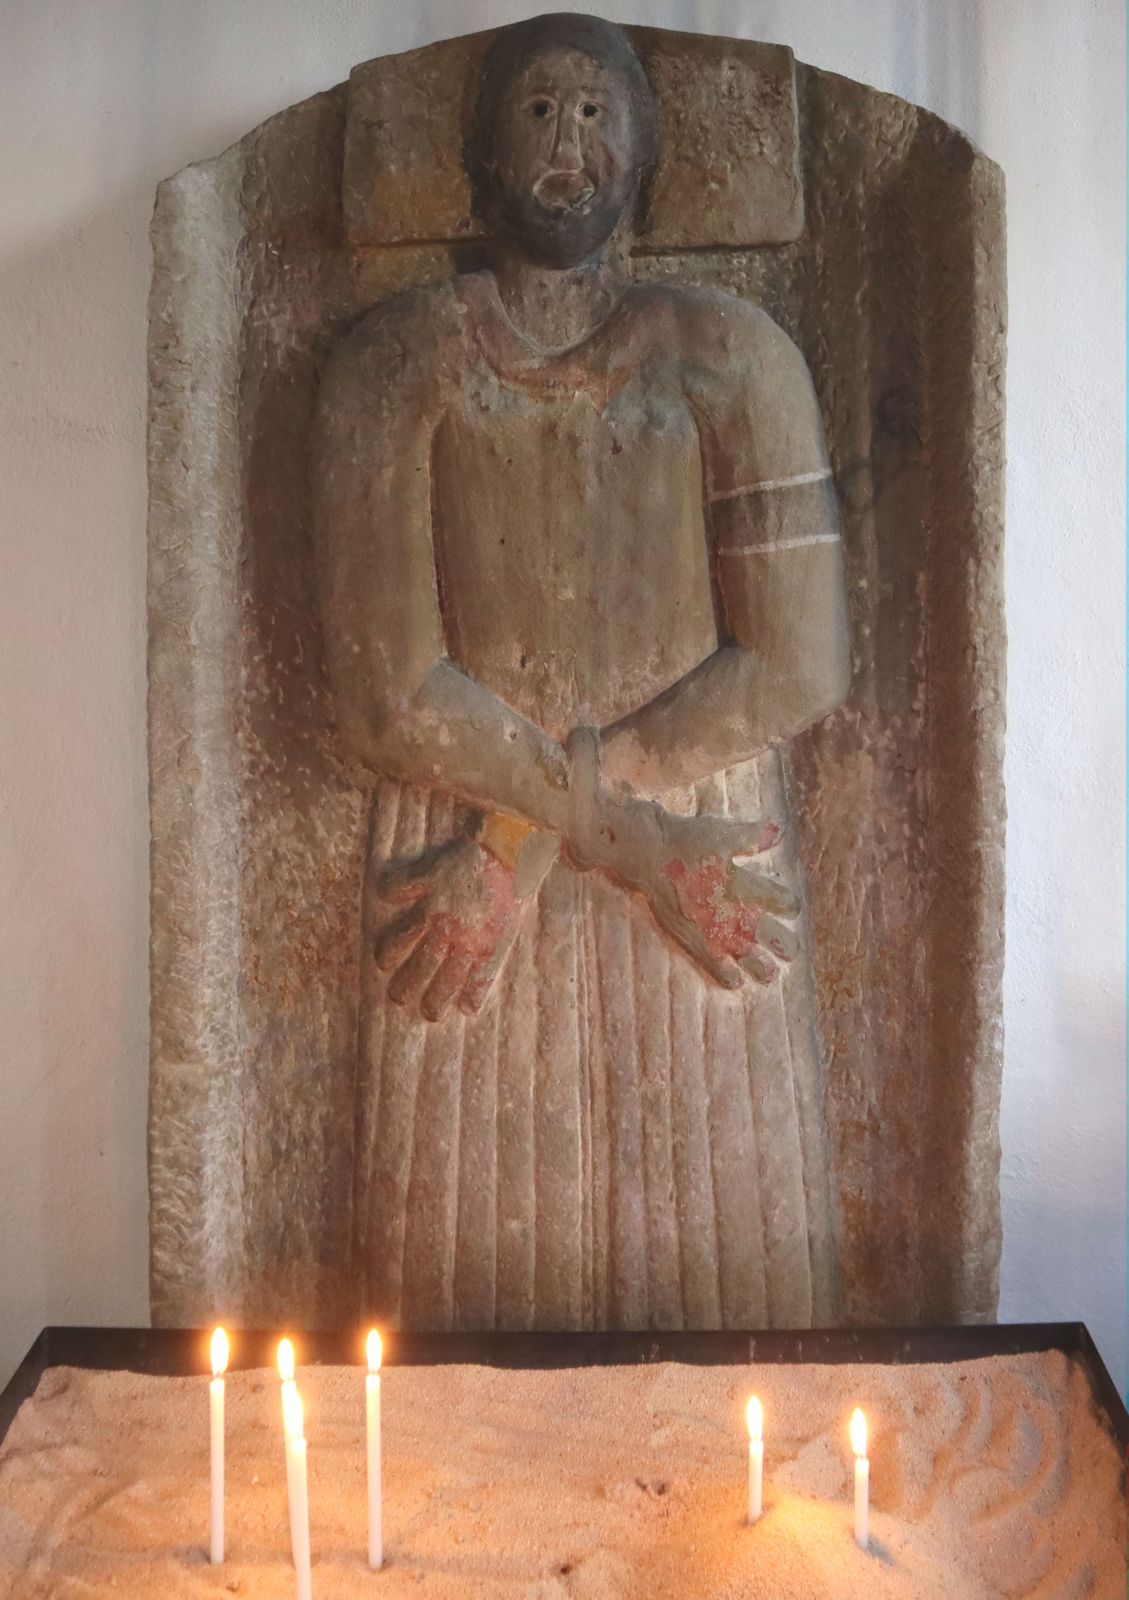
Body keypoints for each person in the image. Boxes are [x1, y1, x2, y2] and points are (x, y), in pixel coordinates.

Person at [313, 13, 851, 1331]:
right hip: (473, 841)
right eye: (538, 110)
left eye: (598, 111)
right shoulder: (391, 363)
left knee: (738, 1275)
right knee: (443, 1297)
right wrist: (612, 834)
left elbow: (796, 658)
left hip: (681, 824)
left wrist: (533, 835)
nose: (569, 140)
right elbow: (385, 687)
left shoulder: (735, 356)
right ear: (479, 153)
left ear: (650, 152)